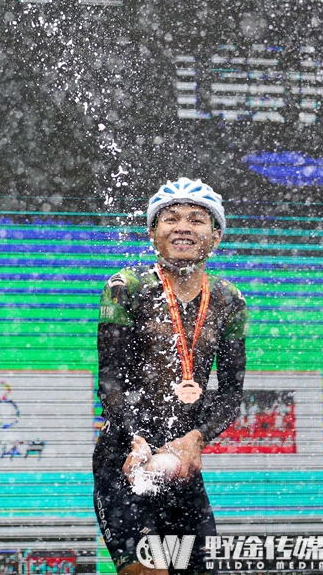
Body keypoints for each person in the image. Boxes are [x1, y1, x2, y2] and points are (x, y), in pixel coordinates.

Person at [93, 178, 248, 575]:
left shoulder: (230, 299)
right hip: (127, 459)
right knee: (150, 571)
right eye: (171, 218)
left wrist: (196, 439)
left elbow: (231, 393)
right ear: (152, 233)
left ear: (215, 236)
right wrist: (136, 440)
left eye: (197, 219)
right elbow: (110, 380)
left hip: (182, 462)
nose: (183, 227)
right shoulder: (125, 287)